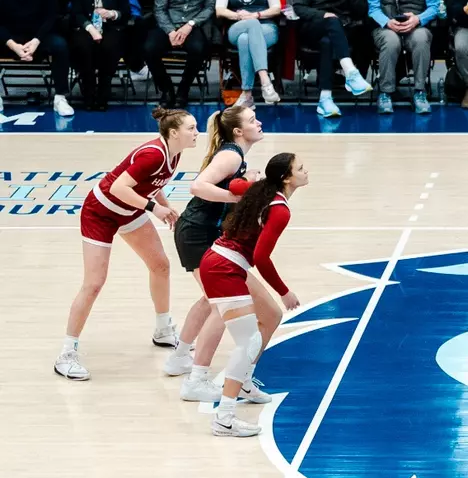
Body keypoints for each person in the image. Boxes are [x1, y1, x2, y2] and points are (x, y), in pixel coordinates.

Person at [57, 108, 197, 381]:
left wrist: (168, 209)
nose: (197, 132)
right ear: (173, 133)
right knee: (94, 283)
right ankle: (67, 353)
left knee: (160, 265)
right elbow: (118, 188)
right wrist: (154, 209)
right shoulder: (153, 153)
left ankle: (163, 330)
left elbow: (154, 184)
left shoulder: (174, 153)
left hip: (129, 211)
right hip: (101, 212)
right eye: (191, 128)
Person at [197, 152, 308, 437]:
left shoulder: (261, 189)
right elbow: (261, 256)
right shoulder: (281, 210)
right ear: (286, 178)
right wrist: (284, 291)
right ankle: (224, 417)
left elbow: (234, 187)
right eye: (300, 168)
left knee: (270, 317)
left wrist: (248, 179)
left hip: (224, 261)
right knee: (249, 341)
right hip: (225, 267)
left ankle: (243, 380)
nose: (306, 171)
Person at [166, 104, 264, 401]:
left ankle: (180, 356)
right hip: (196, 231)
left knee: (211, 300)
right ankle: (197, 380)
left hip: (204, 231)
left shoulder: (236, 155)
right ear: (238, 131)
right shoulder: (231, 154)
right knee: (223, 304)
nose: (258, 122)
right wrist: (239, 194)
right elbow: (198, 187)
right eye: (252, 120)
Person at [291, 0, 373, 118]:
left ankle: (325, 99)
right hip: (314, 27)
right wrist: (321, 15)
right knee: (331, 22)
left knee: (328, 41)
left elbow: (363, 11)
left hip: (344, 30)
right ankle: (350, 72)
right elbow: (298, 6)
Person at [368, 0, 441, 115]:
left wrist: (418, 19)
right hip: (386, 25)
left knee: (422, 37)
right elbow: (373, 7)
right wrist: (387, 22)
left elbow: (435, 5)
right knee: (391, 41)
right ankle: (385, 92)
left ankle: (419, 91)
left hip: (415, 25)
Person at [144, 0, 217, 109]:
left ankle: (183, 90)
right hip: (169, 23)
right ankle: (166, 89)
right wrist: (170, 31)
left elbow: (209, 7)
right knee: (148, 49)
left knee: (198, 49)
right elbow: (159, 9)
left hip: (194, 24)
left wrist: (190, 24)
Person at [215, 0, 283, 107]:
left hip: (266, 28)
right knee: (250, 26)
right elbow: (219, 10)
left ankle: (247, 94)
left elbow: (276, 8)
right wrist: (240, 17)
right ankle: (265, 81)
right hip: (236, 27)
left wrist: (256, 14)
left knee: (246, 39)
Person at [67, 0, 126, 112]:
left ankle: (103, 94)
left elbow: (125, 11)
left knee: (109, 47)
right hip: (86, 26)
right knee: (83, 47)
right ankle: (88, 94)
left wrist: (112, 13)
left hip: (110, 26)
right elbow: (76, 13)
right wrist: (91, 29)